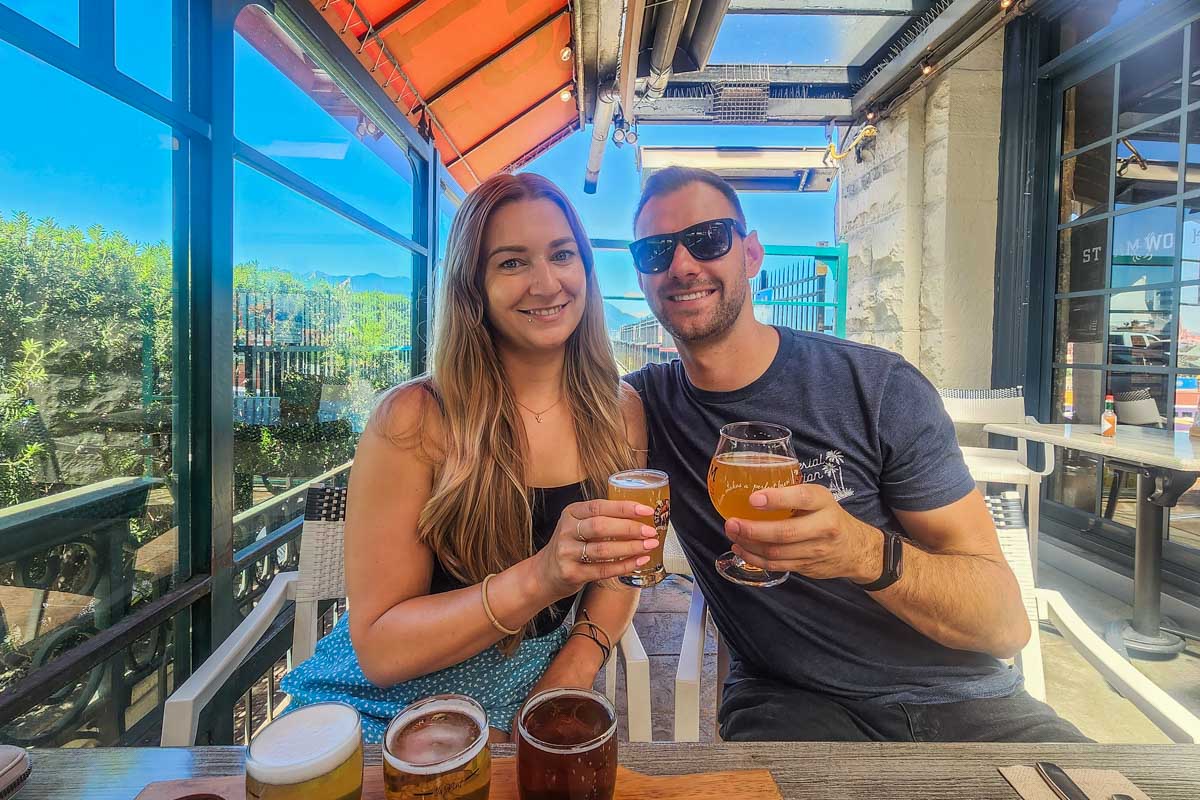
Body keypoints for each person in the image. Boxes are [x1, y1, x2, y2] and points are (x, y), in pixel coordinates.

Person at [624, 166, 1088, 743]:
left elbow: (1004, 624)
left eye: (707, 239)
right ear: (641, 277)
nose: (682, 265)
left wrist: (861, 551)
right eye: (654, 251)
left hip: (965, 700)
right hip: (793, 703)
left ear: (750, 255)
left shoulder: (875, 386)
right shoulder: (646, 404)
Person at [281, 172, 655, 743]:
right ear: (471, 286)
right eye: (511, 262)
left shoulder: (618, 410)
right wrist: (542, 577)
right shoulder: (414, 419)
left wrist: (567, 676)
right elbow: (380, 650)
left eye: (562, 254)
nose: (546, 282)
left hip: (526, 700)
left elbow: (623, 571)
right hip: (382, 714)